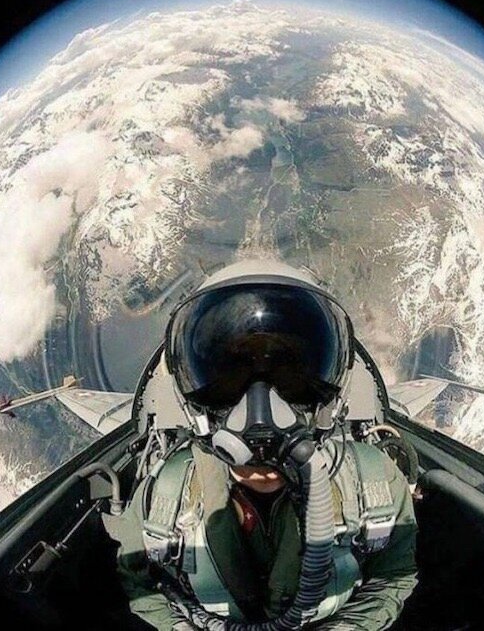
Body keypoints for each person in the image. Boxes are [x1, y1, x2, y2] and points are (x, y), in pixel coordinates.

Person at [107, 260, 418, 630]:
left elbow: (392, 577)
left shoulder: (375, 484)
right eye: (228, 377)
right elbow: (141, 584)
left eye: (291, 377)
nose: (260, 422)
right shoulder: (162, 495)